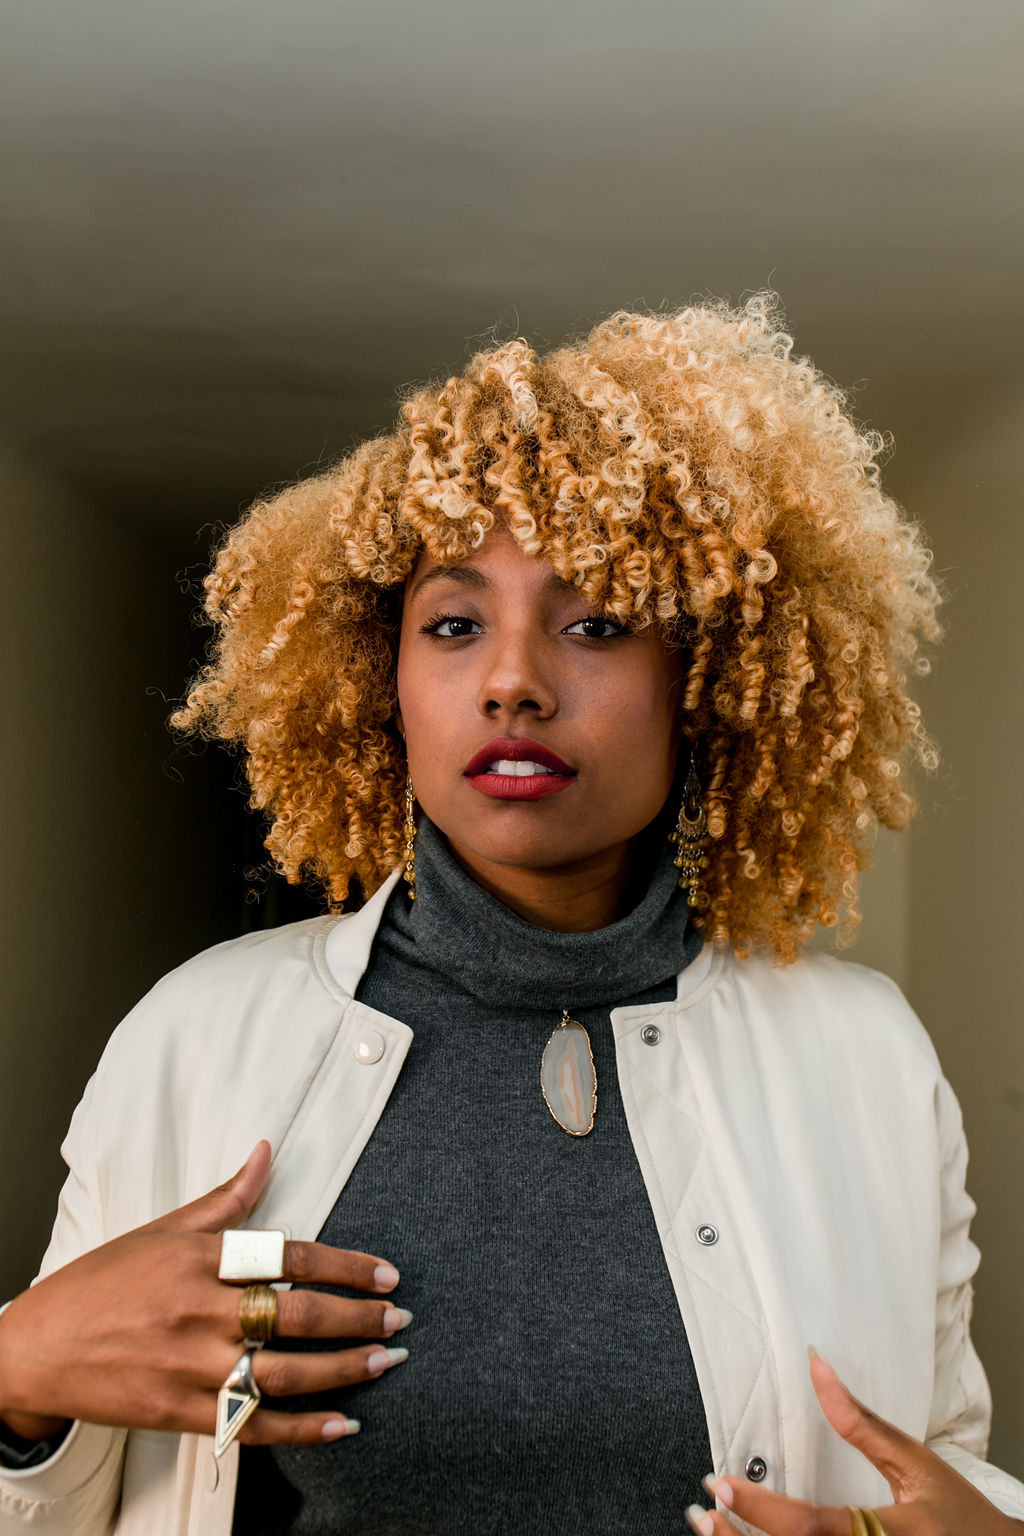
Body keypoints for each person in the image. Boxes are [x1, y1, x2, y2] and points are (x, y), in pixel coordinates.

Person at [0, 297, 1020, 1536]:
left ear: (700, 682)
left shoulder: (864, 1054)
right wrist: (17, 1381)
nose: (514, 681)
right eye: (453, 624)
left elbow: (946, 1464)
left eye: (596, 623)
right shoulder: (197, 1034)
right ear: (383, 679)